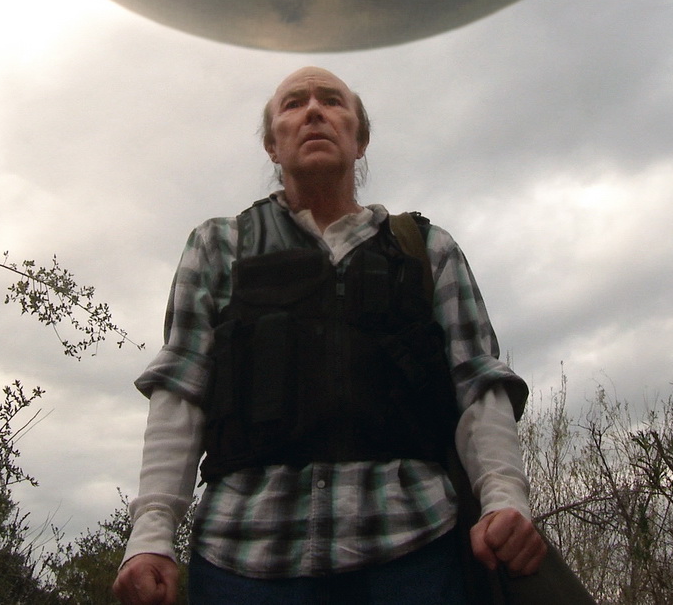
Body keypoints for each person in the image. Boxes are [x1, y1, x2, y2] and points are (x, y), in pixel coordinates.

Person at [112, 67, 546, 605]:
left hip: (414, 555)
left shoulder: (427, 248)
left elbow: (476, 382)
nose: (314, 110)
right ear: (272, 146)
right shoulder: (218, 246)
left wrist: (505, 499)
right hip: (241, 563)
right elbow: (181, 390)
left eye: (332, 101)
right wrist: (151, 535)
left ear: (359, 140)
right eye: (293, 103)